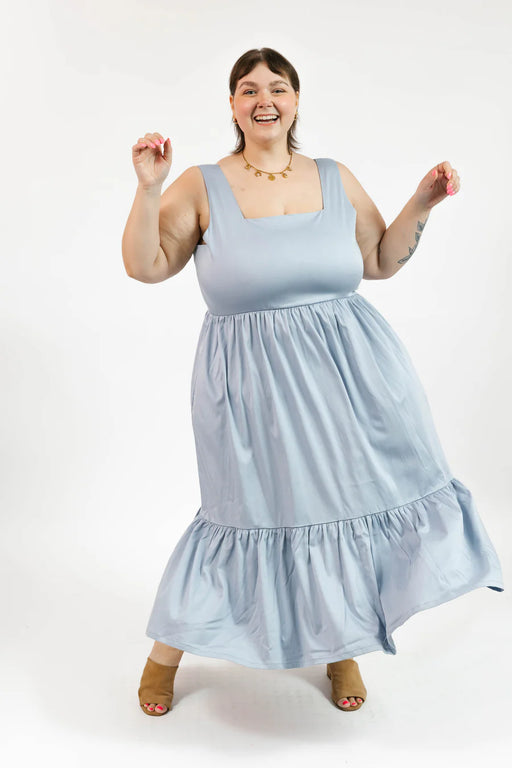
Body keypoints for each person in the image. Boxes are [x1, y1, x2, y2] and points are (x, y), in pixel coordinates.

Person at [122, 48, 504, 717]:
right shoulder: (200, 185)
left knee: (339, 509)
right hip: (250, 389)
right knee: (241, 515)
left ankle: (341, 645)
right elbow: (145, 266)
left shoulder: (333, 177)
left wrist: (423, 202)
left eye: (277, 87)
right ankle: (165, 654)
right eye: (248, 89)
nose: (263, 99)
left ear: (296, 100)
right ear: (233, 105)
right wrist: (148, 187)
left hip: (352, 379)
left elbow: (379, 260)